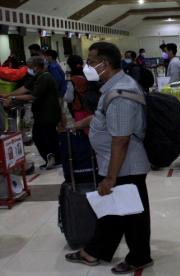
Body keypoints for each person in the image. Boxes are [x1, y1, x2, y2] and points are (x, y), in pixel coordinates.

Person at [64, 42, 153, 274]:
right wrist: (84, 122)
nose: (87, 66)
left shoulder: (122, 93)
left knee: (132, 216)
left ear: (105, 63)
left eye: (91, 62)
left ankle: (139, 257)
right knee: (113, 212)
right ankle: (95, 252)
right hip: (117, 163)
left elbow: (121, 140)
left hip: (125, 165)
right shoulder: (113, 88)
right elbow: (105, 116)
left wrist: (111, 177)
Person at [4, 57, 62, 170]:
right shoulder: (37, 77)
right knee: (41, 136)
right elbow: (25, 88)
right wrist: (7, 95)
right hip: (41, 113)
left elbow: (33, 96)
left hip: (48, 113)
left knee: (45, 136)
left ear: (35, 67)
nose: (27, 69)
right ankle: (51, 158)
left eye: (29, 67)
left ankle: (55, 159)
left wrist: (13, 97)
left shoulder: (45, 77)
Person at [65, 55, 99, 131]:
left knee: (84, 131)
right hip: (93, 107)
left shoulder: (72, 80)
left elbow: (69, 98)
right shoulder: (90, 76)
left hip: (79, 108)